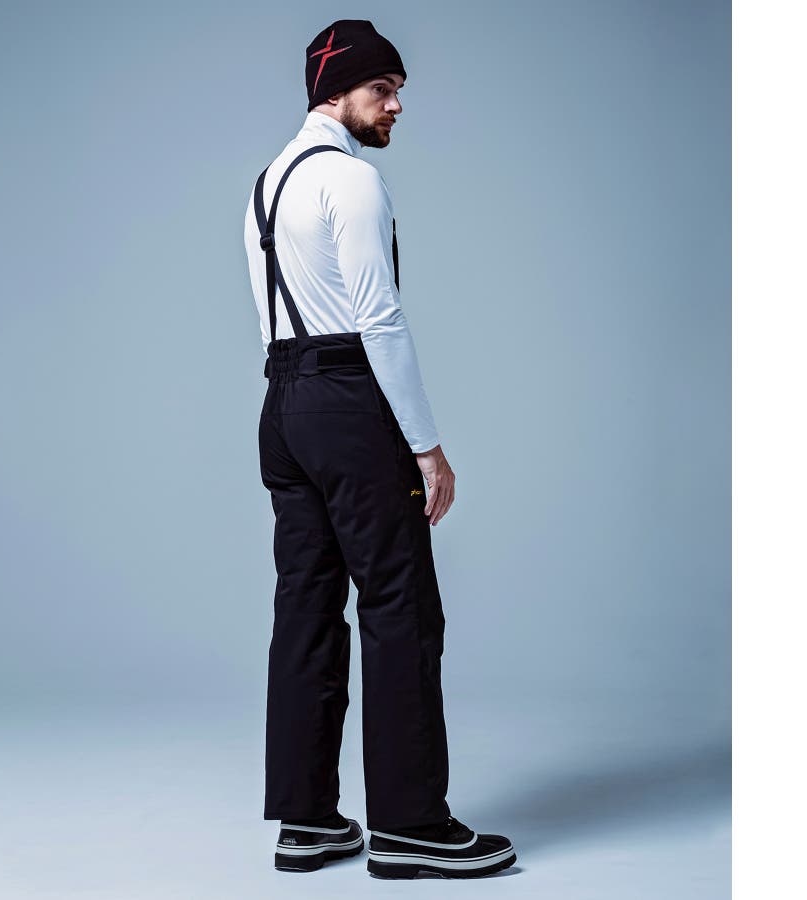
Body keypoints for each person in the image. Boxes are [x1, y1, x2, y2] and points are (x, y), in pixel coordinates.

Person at [242, 18, 517, 880]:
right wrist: (427, 449)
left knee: (306, 607)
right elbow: (379, 320)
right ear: (337, 92)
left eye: (397, 89)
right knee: (400, 607)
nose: (396, 105)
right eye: (382, 89)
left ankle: (307, 822)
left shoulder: (265, 183)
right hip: (347, 401)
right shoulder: (351, 182)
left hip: (283, 402)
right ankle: (409, 825)